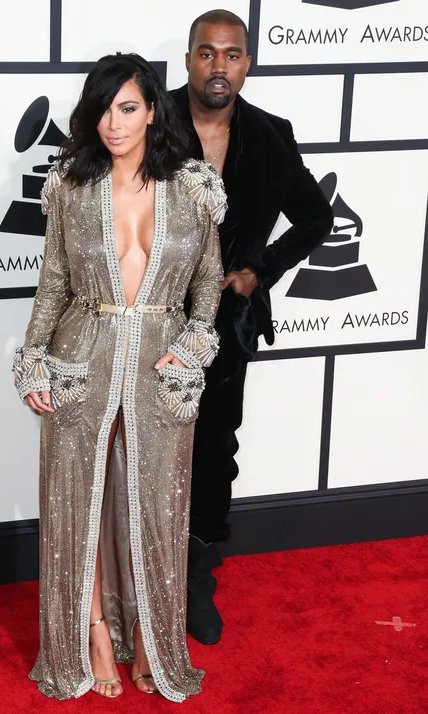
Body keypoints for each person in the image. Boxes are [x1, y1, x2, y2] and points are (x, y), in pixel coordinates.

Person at [13, 53, 226, 702]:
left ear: (153, 109)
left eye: (127, 107)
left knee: (159, 512)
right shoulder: (72, 187)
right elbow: (53, 285)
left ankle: (154, 640)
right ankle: (95, 635)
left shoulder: (191, 185)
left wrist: (191, 347)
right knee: (76, 509)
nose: (113, 122)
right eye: (103, 108)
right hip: (83, 357)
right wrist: (32, 361)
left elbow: (208, 280)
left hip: (161, 368)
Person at [170, 10, 334, 645]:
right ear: (188, 60)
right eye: (207, 54)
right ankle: (133, 574)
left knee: (213, 451)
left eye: (232, 55)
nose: (219, 67)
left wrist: (256, 272)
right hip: (147, 319)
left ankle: (197, 574)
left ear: (247, 63)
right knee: (141, 446)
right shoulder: (150, 123)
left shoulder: (270, 135)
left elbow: (314, 219)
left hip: (227, 328)